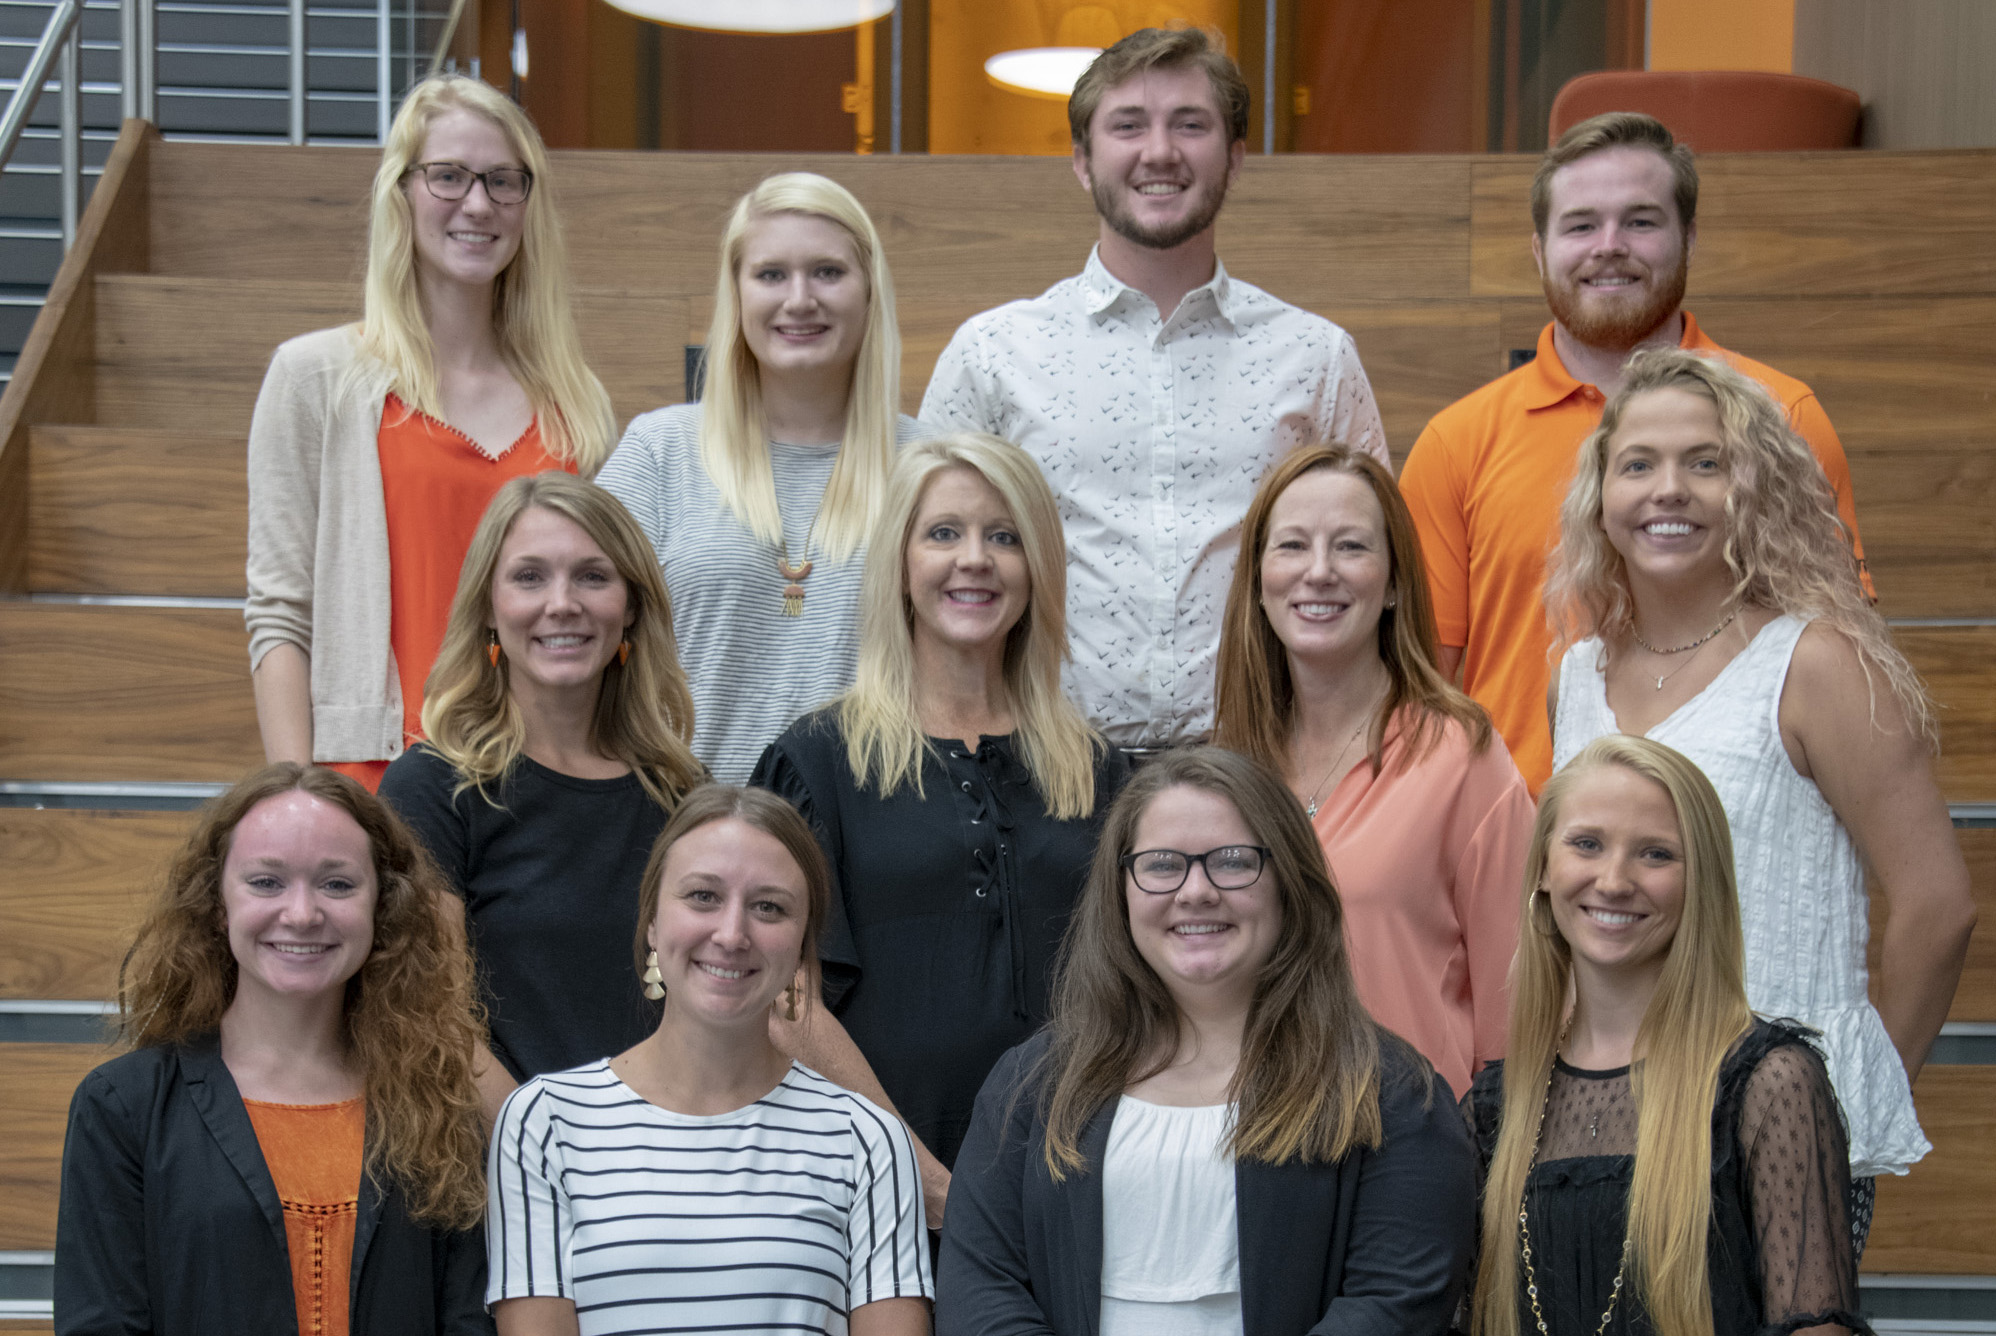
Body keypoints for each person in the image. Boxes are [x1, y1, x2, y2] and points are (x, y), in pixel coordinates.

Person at [1544, 347, 1974, 1243]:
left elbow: (1939, 905)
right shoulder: (1576, 679)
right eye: (1639, 464)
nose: (1671, 489)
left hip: (1769, 1143)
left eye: (1707, 463)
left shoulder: (1816, 664)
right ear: (1600, 498)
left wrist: (1845, 1098)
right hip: (1609, 1125)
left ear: (1758, 489)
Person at [921, 27, 1386, 750]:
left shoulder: (1316, 358)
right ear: (1082, 160)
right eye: (1128, 125)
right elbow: (920, 578)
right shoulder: (992, 355)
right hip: (1042, 774)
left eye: (1190, 124)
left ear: (1235, 158)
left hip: (1261, 768)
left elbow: (1374, 578)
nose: (1159, 151)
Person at [1399, 111, 1867, 791]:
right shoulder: (1457, 442)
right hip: (1522, 840)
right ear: (1538, 250)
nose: (1609, 246)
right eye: (1581, 225)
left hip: (1734, 825)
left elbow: (1846, 657)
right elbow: (1420, 689)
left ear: (1690, 240)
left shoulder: (1782, 418)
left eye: (1641, 222)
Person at [939, 747, 1474, 1336]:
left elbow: (1393, 1303)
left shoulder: (1392, 1095)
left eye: (1232, 861)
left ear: (1289, 883)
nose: (1195, 891)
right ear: (1119, 890)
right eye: (1163, 865)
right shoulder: (1031, 1086)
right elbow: (981, 1295)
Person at [753, 432, 1129, 1227]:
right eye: (944, 533)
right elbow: (784, 998)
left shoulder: (1101, 773)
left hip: (1081, 1191)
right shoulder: (815, 763)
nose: (975, 560)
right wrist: (922, 1181)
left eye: (1005, 536)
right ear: (900, 561)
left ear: (1039, 568)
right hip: (874, 1197)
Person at [247, 74, 615, 791]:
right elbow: (280, 616)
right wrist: (297, 798)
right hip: (370, 777)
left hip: (534, 783)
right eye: (448, 176)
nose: (478, 203)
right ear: (402, 192)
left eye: (504, 181)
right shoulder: (315, 377)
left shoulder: (577, 405)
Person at [55, 764, 491, 1335]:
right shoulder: (123, 1108)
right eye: (266, 882)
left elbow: (467, 1324)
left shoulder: (440, 1109)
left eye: (337, 884)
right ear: (217, 905)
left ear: (383, 907)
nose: (302, 914)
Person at [487, 784, 931, 1336]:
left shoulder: (868, 1141)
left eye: (769, 906)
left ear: (802, 946)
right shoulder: (543, 1123)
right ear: (652, 922)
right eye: (702, 896)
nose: (731, 933)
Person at [1466, 735, 1872, 1336]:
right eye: (1586, 844)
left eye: (1655, 854)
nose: (1613, 880)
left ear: (1699, 882)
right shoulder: (1495, 1107)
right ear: (1544, 873)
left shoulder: (1768, 1086)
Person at [379, 473, 705, 1123]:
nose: (562, 603)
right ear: (488, 607)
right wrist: (551, 1151)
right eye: (530, 577)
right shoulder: (432, 787)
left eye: (592, 576)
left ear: (632, 605)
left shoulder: (682, 794)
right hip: (506, 1167)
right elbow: (430, 1013)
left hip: (665, 1164)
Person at [1213, 444, 1532, 1099]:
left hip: (1412, 1155)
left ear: (1393, 583)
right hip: (1247, 1148)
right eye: (1293, 546)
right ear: (1258, 580)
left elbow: (1519, 1008)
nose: (1320, 572)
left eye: (1351, 547)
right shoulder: (1224, 769)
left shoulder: (1463, 757)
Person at [597, 172, 927, 783]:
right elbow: (580, 641)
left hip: (871, 834)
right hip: (681, 826)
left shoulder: (927, 466)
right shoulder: (657, 451)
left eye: (828, 272)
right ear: (737, 294)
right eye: (771, 274)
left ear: (870, 292)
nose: (800, 299)